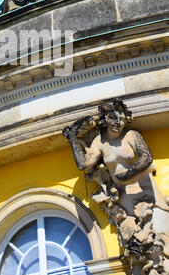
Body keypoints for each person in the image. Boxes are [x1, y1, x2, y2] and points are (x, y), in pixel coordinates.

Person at [63, 98, 169, 233]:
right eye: (113, 118)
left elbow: (146, 157)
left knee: (160, 228)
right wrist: (73, 138)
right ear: (105, 118)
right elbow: (84, 164)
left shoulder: (131, 136)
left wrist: (127, 174)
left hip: (145, 189)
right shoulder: (100, 142)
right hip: (124, 195)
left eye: (122, 119)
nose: (118, 123)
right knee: (134, 234)